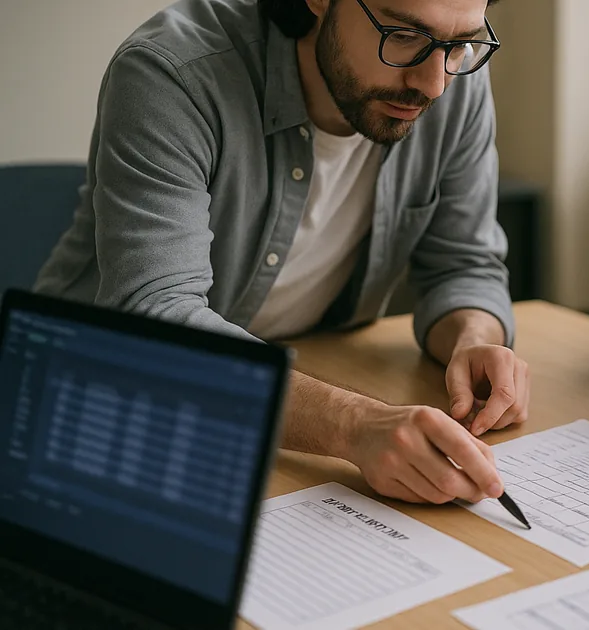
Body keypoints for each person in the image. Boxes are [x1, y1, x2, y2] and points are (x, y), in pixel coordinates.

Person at [34, 0, 530, 505]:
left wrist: (472, 337)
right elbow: (155, 319)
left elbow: (464, 263)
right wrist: (354, 424)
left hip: (292, 399)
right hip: (95, 406)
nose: (434, 84)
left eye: (461, 43)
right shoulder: (173, 73)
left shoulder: (451, 76)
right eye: (403, 36)